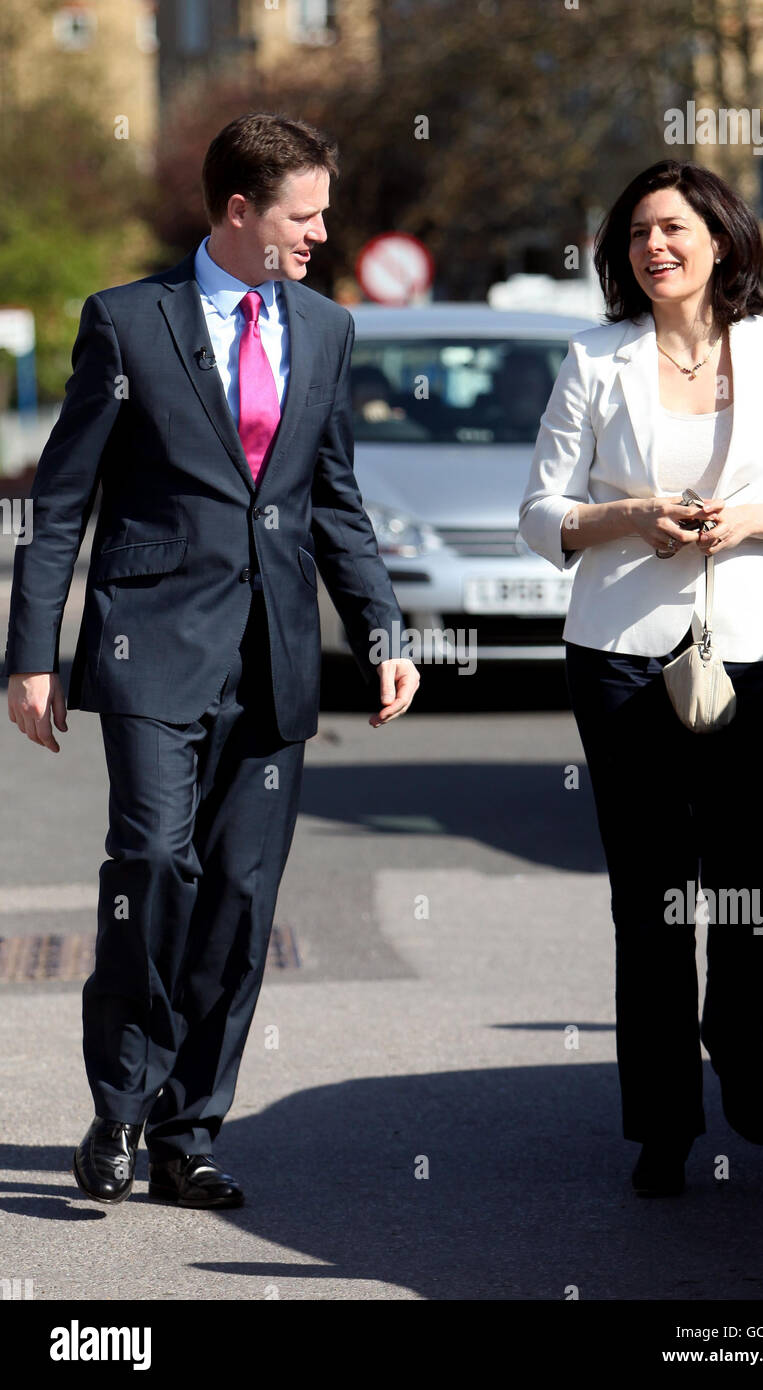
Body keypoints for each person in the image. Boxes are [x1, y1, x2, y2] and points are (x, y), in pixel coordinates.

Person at [3, 112, 419, 1209]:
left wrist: (380, 628)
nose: (322, 233)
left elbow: (334, 498)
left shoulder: (325, 330)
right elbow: (60, 505)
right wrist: (31, 656)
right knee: (153, 868)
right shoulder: (128, 323)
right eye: (305, 214)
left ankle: (190, 1132)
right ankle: (119, 1102)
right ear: (239, 211)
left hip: (274, 656)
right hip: (150, 648)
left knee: (238, 897)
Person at [518, 159, 763, 1198]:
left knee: (753, 869)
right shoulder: (593, 358)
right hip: (618, 654)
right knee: (649, 891)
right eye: (636, 235)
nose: (652, 247)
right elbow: (540, 513)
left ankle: (738, 1040)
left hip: (753, 648)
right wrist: (631, 517)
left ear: (718, 239)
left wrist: (744, 522)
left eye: (671, 229)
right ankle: (662, 1119)